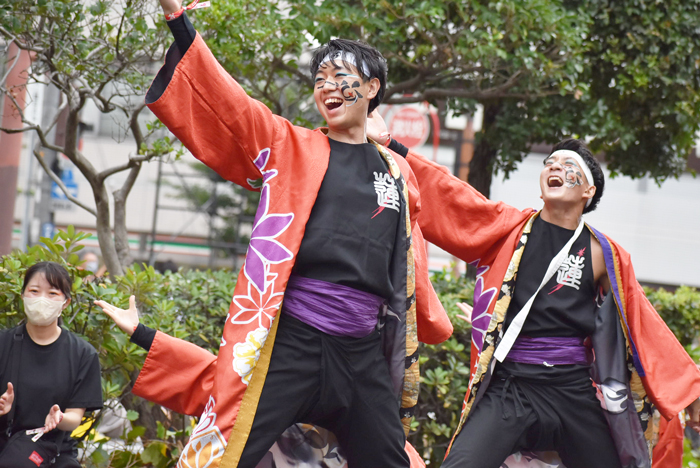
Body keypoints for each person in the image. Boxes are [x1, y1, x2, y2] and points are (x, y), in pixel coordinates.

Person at [93, 1, 453, 467]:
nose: (327, 87)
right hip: (294, 339)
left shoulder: (397, 170)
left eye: (340, 76)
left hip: (361, 349)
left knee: (391, 459)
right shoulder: (292, 144)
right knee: (226, 451)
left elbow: (410, 255)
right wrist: (179, 21)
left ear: (371, 87)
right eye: (320, 79)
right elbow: (232, 106)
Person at [367, 113, 700, 467]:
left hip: (570, 389)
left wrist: (690, 392)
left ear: (588, 191)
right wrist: (390, 144)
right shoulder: (511, 227)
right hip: (511, 385)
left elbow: (642, 323)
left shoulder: (605, 254)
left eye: (568, 165)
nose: (554, 167)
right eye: (549, 163)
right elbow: (453, 198)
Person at [0, 262, 103, 467]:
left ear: (65, 302)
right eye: (34, 291)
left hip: (54, 451)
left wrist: (60, 418)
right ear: (23, 295)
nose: (41, 300)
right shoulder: (4, 344)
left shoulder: (83, 354)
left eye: (52, 293)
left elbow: (75, 417)